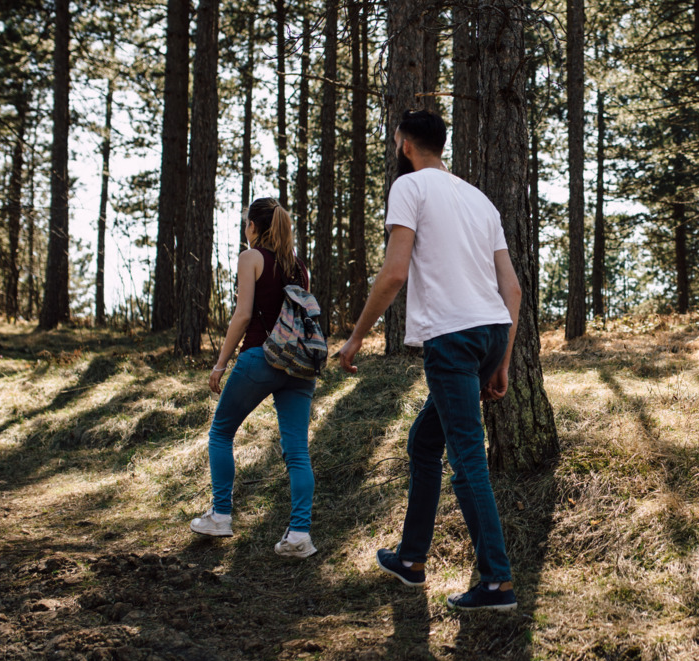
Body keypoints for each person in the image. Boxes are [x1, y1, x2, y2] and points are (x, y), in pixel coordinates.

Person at [338, 110, 523, 612]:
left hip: (453, 339)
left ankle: (496, 582)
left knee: (466, 460)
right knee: (425, 442)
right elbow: (512, 287)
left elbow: (394, 273)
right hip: (488, 335)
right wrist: (501, 358)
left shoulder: (410, 188)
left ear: (404, 145)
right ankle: (411, 559)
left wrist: (355, 339)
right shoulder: (479, 199)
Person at [190, 198, 320, 559]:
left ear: (252, 226)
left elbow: (243, 315)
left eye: (245, 223)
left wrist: (220, 363)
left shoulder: (251, 258)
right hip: (299, 366)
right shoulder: (300, 267)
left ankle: (220, 515)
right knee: (296, 451)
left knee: (221, 432)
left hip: (260, 358)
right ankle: (298, 535)